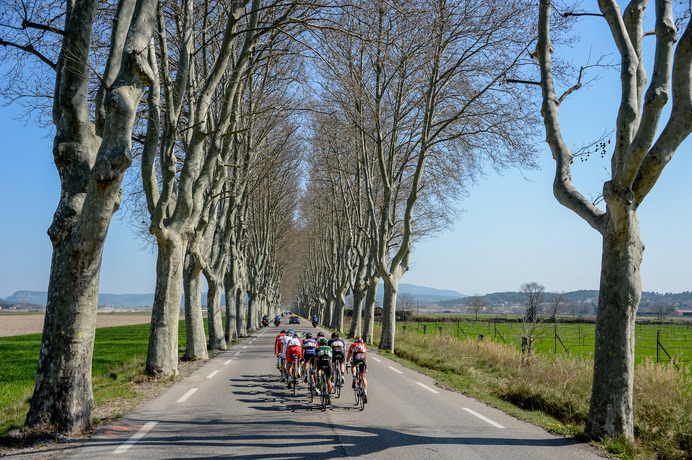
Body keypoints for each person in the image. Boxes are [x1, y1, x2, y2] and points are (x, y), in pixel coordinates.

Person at [347, 337, 368, 403]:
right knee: (363, 377)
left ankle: (354, 378)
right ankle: (365, 392)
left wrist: (348, 360)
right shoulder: (364, 346)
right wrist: (366, 367)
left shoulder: (353, 345)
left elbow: (348, 356)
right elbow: (366, 357)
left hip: (356, 358)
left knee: (353, 366)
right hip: (363, 359)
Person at [313, 337, 333, 404]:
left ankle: (318, 379)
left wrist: (314, 368)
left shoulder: (318, 349)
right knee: (329, 380)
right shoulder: (330, 348)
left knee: (319, 368)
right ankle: (329, 395)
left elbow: (315, 359)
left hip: (321, 362)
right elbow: (332, 360)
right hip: (328, 363)